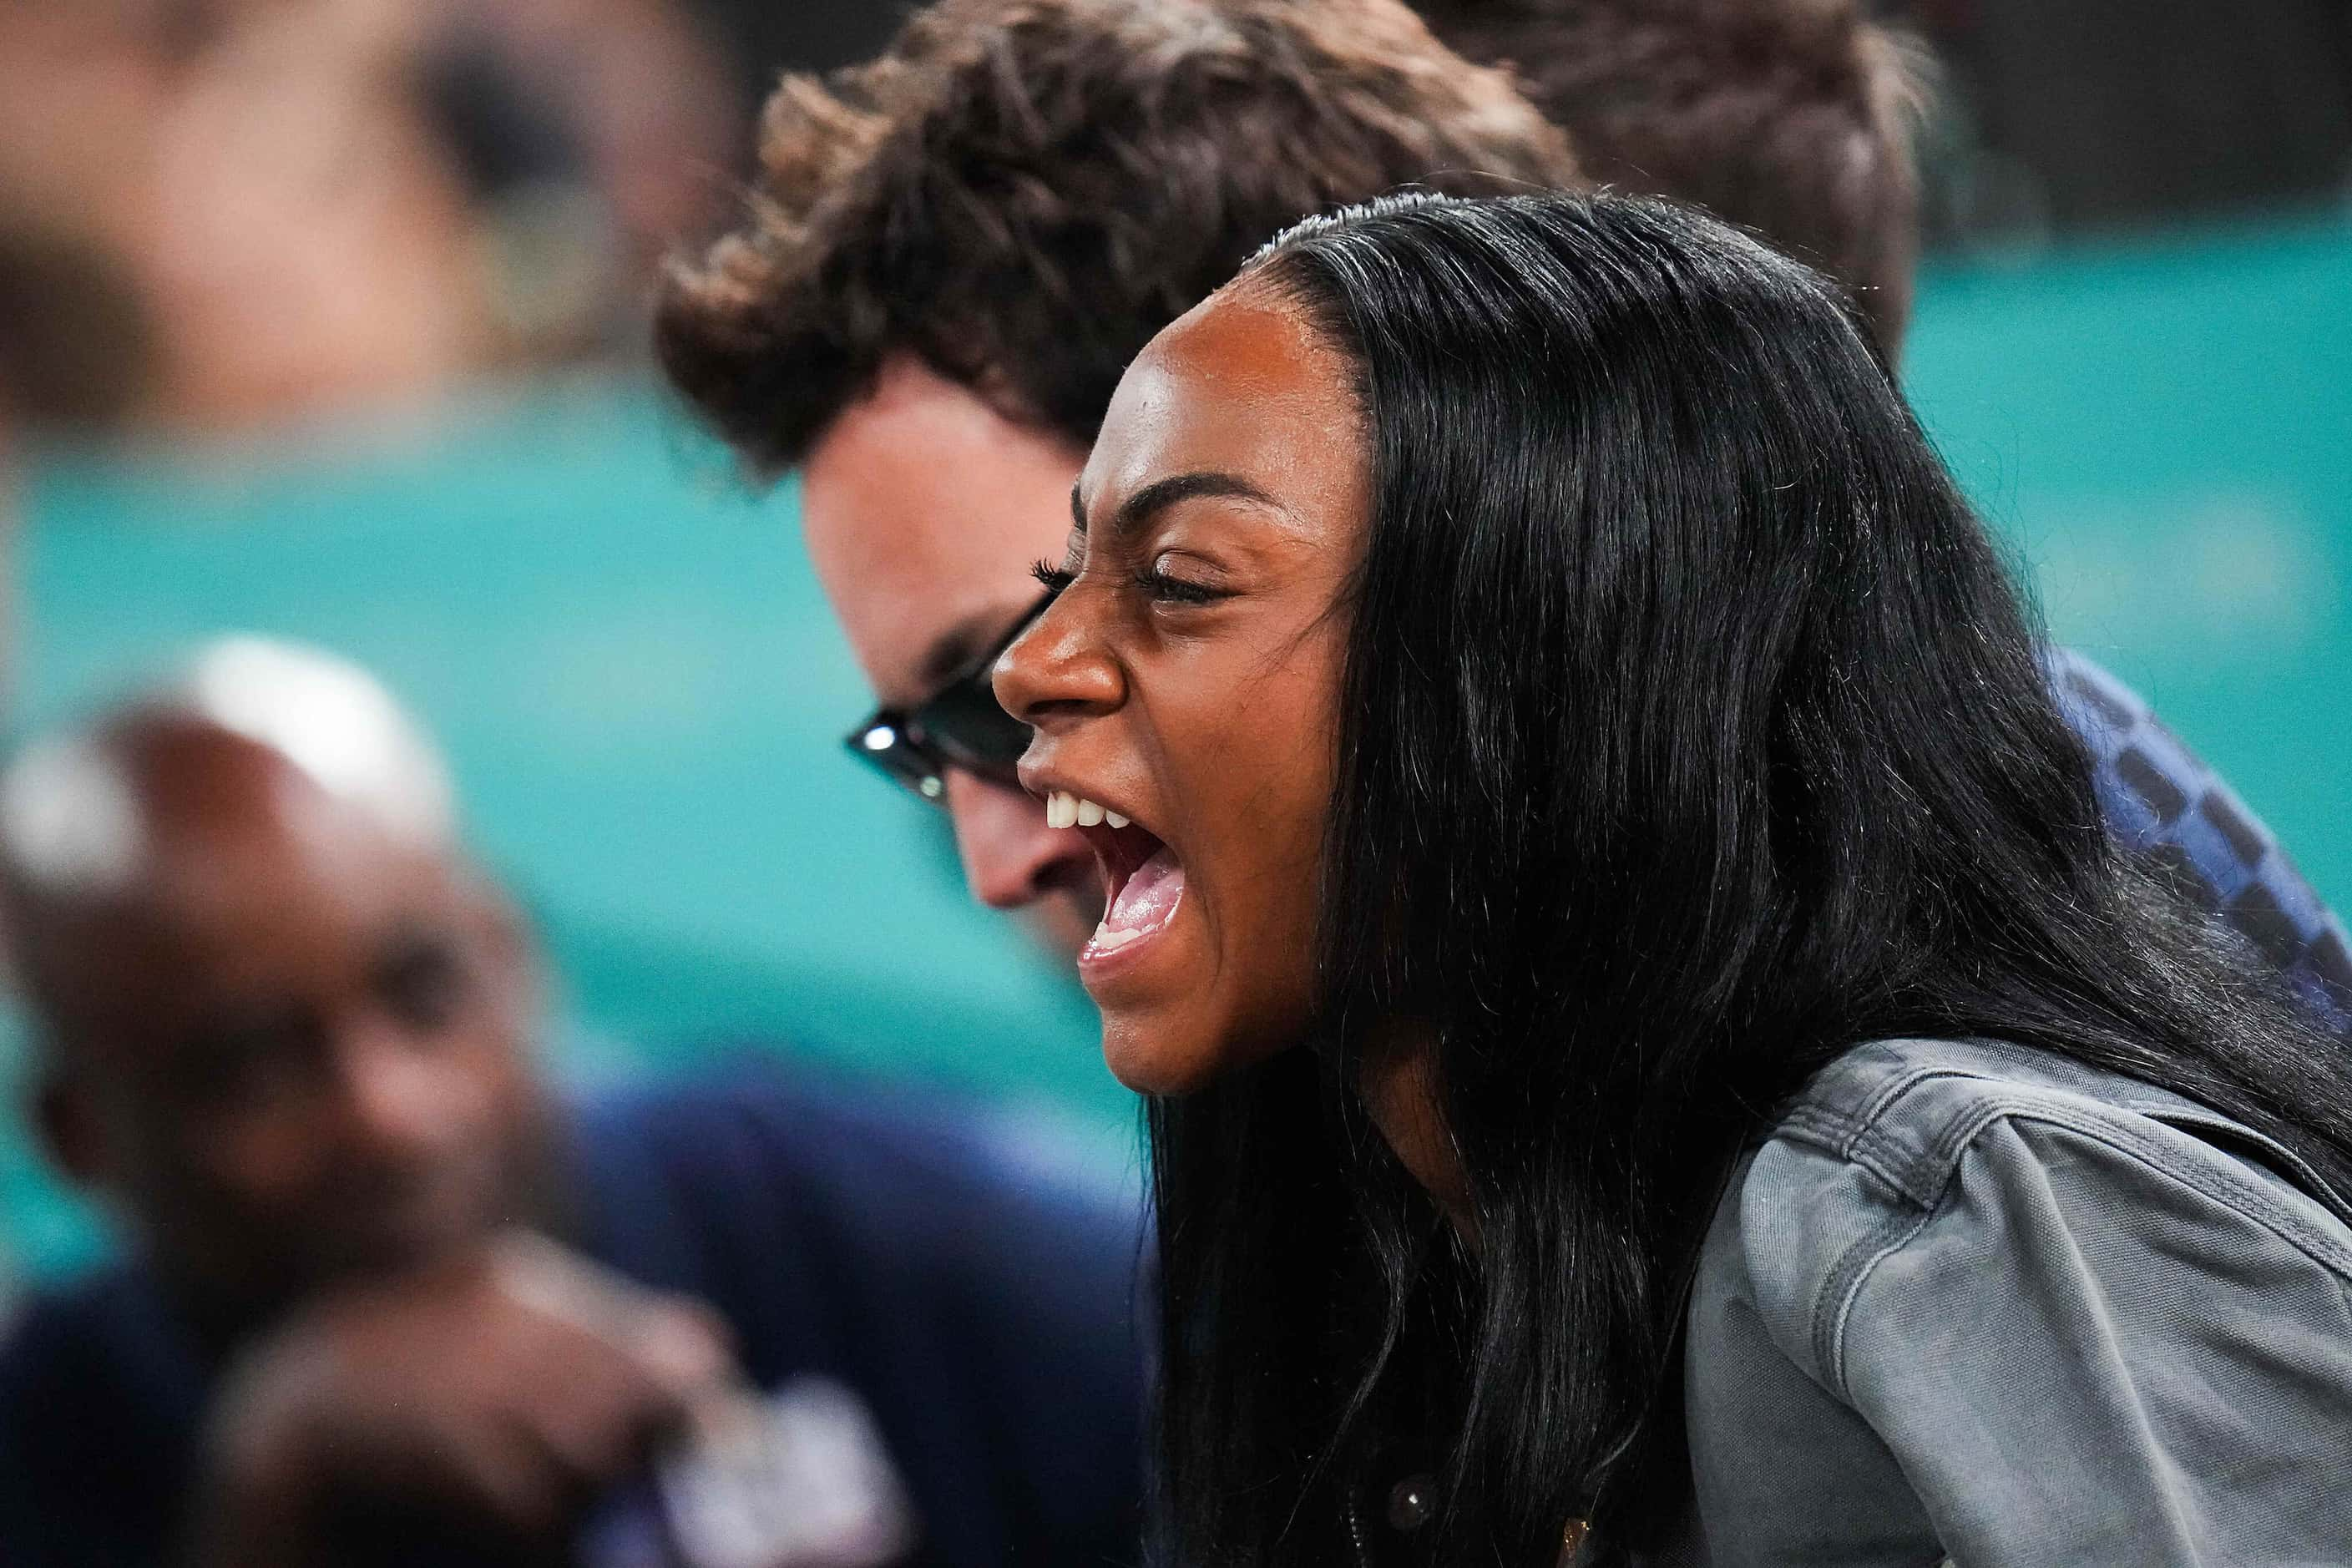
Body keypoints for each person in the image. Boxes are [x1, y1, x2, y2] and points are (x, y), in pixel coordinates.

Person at [991, 190, 2352, 1567]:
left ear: (1555, 657)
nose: (1028, 664)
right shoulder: (1423, 1292)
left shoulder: (1944, 1206)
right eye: (1067, 572)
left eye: (1177, 580)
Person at [654, 0, 2350, 1023]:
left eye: (1010, 682)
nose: (998, 848)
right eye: (935, 745)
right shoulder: (1442, 1123)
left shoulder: (1894, 1125)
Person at [0, 638, 1145, 1567]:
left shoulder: (845, 1211)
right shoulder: (51, 1447)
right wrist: (272, 1496)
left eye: (427, 990)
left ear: (514, 954)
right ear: (81, 1133)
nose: (390, 1111)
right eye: (249, 1067)